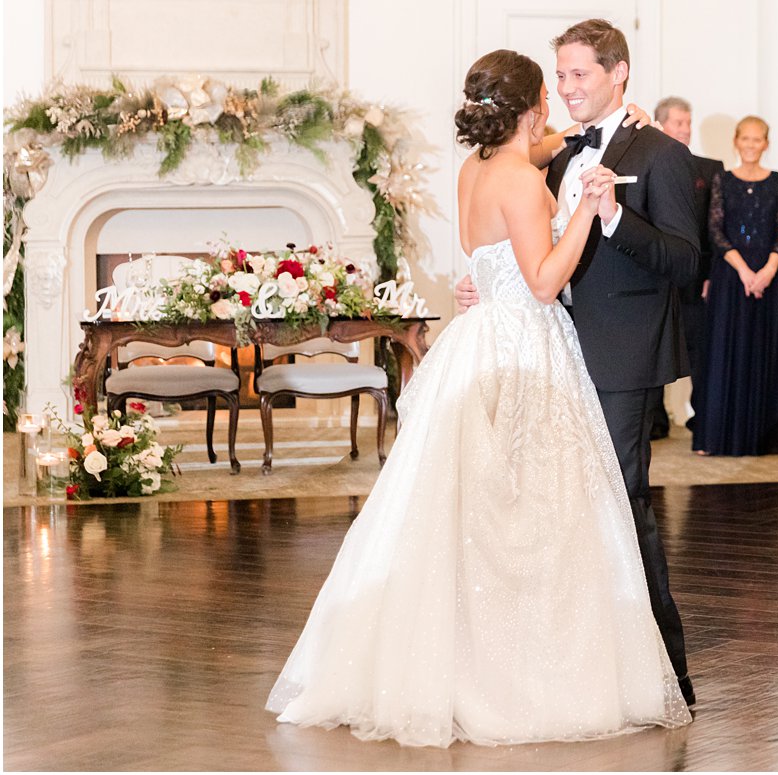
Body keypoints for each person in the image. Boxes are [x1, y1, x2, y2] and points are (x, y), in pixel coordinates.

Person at [267, 50, 691, 746]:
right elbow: (547, 279)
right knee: (533, 512)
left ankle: (456, 656)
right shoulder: (524, 183)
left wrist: (623, 122)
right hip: (525, 343)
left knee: (467, 509)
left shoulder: (475, 168)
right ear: (531, 109)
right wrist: (586, 206)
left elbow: (502, 232)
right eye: (547, 101)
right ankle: (517, 673)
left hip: (480, 334)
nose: (556, 107)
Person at [453, 19, 700, 707]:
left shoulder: (661, 154)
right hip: (545, 351)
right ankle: (567, 665)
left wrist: (616, 217)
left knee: (620, 507)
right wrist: (482, 279)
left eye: (579, 74)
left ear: (618, 73)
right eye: (558, 77)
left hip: (622, 357)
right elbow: (519, 241)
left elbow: (685, 259)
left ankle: (661, 672)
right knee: (547, 511)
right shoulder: (549, 154)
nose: (565, 89)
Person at [697, 116, 778, 456]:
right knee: (725, 352)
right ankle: (719, 436)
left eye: (758, 139)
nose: (751, 145)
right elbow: (715, 230)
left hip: (768, 276)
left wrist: (766, 271)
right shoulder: (723, 179)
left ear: (766, 144)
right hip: (731, 278)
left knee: (762, 351)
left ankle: (763, 438)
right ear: (736, 142)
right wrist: (744, 272)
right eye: (745, 139)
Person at [648, 96, 723, 444]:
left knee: (699, 349)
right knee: (654, 349)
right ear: (660, 124)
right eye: (678, 123)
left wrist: (711, 274)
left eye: (688, 123)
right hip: (656, 275)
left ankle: (702, 416)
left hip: (698, 277)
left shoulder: (711, 169)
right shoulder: (646, 163)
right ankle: (655, 419)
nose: (685, 129)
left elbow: (715, 227)